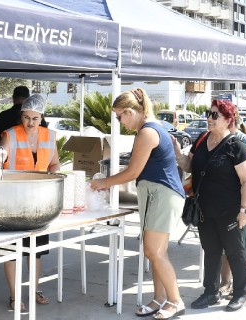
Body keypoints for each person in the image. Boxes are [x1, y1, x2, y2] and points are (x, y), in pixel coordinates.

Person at [90, 88, 185, 319]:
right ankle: (159, 298)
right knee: (154, 251)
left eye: (120, 115)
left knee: (154, 251)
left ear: (131, 111)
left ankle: (175, 301)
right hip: (156, 193)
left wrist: (103, 183)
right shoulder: (150, 129)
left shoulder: (148, 132)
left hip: (162, 194)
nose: (119, 120)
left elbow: (132, 172)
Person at [172, 100, 246, 312]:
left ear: (228, 120)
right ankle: (210, 292)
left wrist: (245, 210)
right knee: (211, 250)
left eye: (215, 115)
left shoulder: (236, 146)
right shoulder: (201, 140)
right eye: (209, 113)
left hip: (230, 211)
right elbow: (190, 166)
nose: (209, 118)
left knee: (235, 251)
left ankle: (240, 293)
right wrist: (179, 154)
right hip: (204, 209)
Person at [0, 94, 59, 312]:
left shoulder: (49, 136)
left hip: (39, 202)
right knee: (12, 250)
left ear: (42, 117)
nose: (31, 122)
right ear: (21, 116)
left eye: (35, 118)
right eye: (27, 117)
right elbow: (0, 158)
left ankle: (35, 289)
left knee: (36, 250)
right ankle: (14, 296)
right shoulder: (10, 135)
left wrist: (53, 179)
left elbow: (54, 164)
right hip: (10, 201)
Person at [215, 111, 246, 300]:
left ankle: (236, 287)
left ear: (228, 121)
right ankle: (225, 283)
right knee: (225, 247)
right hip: (223, 203)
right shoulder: (218, 139)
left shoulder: (244, 141)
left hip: (241, 203)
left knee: (239, 248)